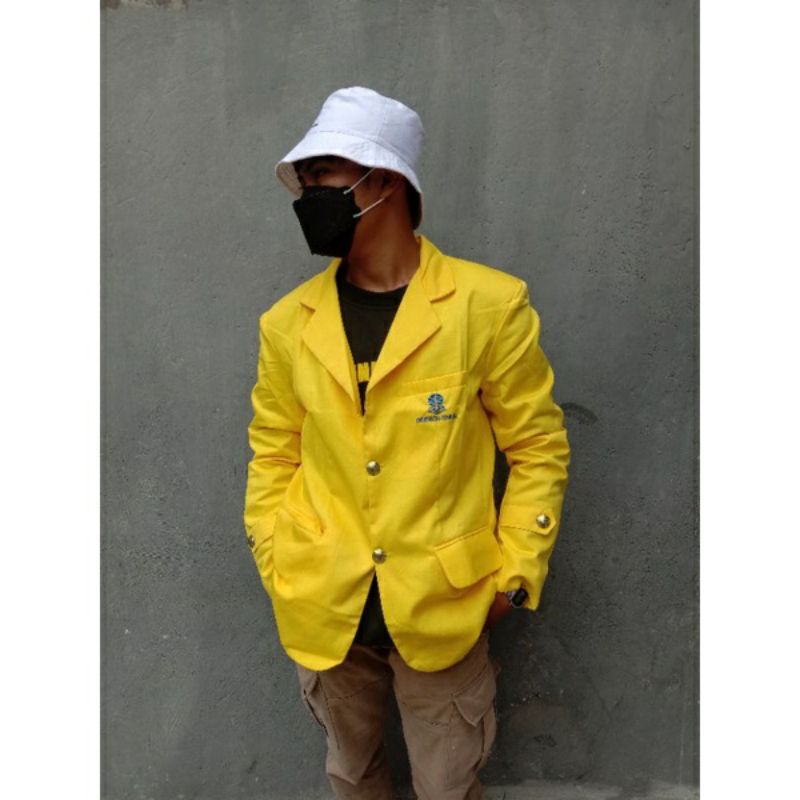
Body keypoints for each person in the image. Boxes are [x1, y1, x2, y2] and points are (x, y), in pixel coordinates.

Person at [243, 86, 570, 800]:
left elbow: (538, 446)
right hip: (323, 601)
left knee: (448, 787)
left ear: (383, 179)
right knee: (351, 775)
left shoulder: (487, 306)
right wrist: (277, 554)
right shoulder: (287, 324)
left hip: (446, 604)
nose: (309, 194)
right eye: (304, 179)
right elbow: (273, 452)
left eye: (324, 174)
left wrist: (515, 574)